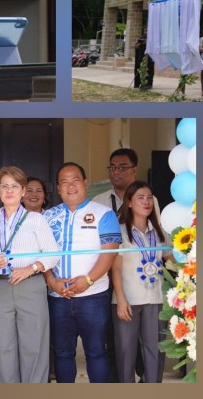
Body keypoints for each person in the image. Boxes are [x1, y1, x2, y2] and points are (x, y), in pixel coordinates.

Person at [0, 167, 59, 382]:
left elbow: (53, 255)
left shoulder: (36, 220)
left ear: (23, 191)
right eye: (4, 186)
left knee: (34, 346)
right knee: (1, 347)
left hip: (30, 286)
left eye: (14, 186)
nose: (9, 190)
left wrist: (30, 268)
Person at [44, 162, 121, 383]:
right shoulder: (47, 217)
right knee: (62, 353)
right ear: (58, 188)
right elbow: (42, 253)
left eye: (75, 180)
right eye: (64, 182)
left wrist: (88, 280)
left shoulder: (104, 214)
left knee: (96, 352)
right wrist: (51, 280)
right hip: (58, 298)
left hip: (93, 297)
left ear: (85, 183)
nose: (70, 186)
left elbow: (109, 254)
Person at [111, 182, 167, 383]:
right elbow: (115, 268)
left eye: (149, 197)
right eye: (140, 198)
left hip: (155, 299)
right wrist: (121, 299)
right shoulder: (119, 231)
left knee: (155, 352)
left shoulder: (159, 232)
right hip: (128, 300)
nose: (146, 202)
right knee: (126, 352)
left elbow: (173, 258)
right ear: (129, 202)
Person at [91, 148, 158, 213]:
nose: (116, 172)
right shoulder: (98, 201)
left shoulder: (147, 200)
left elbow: (153, 224)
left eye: (122, 168)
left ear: (134, 171)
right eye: (112, 167)